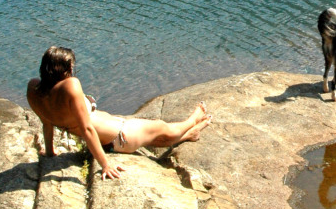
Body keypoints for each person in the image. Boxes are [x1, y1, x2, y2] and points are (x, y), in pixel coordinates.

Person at [27, 46, 212, 180]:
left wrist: (50, 152)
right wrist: (105, 165)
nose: (73, 71)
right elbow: (87, 129)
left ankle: (189, 134)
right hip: (121, 136)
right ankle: (192, 121)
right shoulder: (70, 86)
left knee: (158, 140)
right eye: (71, 68)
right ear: (65, 70)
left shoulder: (34, 89)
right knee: (163, 128)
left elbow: (47, 123)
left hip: (110, 140)